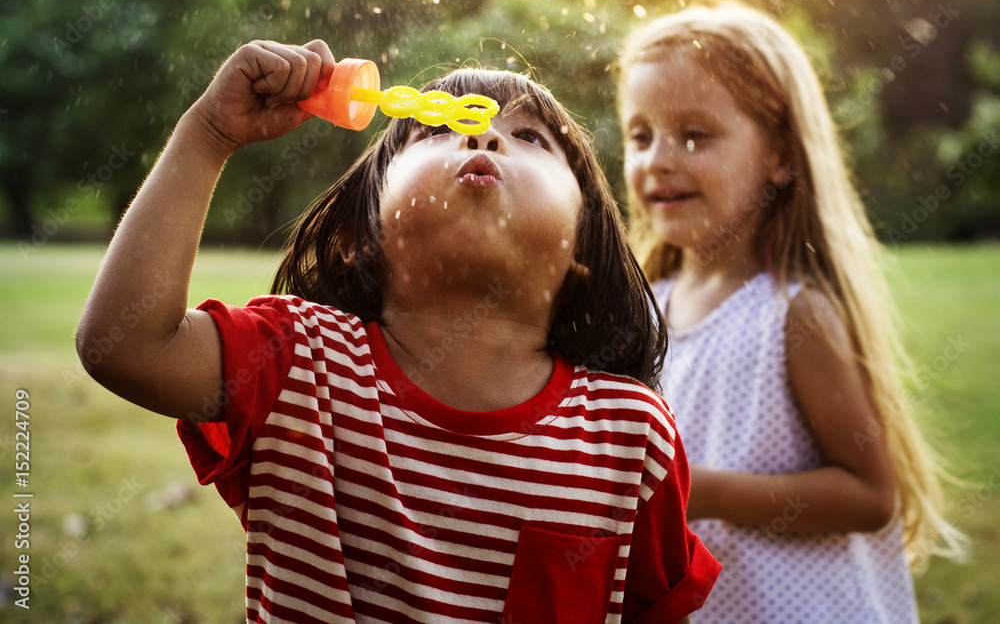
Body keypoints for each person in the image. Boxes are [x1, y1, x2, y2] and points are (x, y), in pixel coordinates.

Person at [76, 40, 720, 623]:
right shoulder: (300, 364)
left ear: (582, 239)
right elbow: (127, 345)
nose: (483, 138)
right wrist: (209, 133)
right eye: (439, 128)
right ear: (363, 234)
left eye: (529, 137)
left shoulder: (629, 434)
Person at [617, 3, 965, 622]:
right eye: (640, 136)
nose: (659, 160)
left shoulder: (792, 316)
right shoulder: (649, 307)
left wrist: (702, 491)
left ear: (779, 156)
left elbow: (868, 496)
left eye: (694, 135)